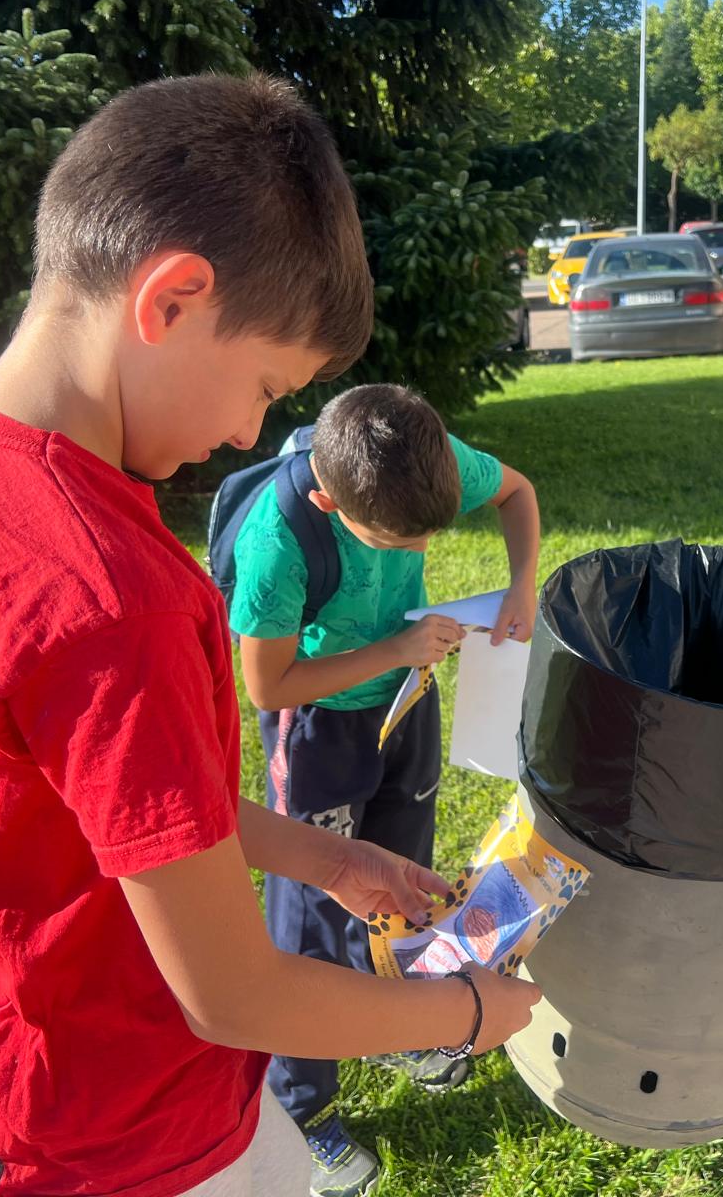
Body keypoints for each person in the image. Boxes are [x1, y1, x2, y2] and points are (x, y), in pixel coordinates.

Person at [0, 72, 540, 1197]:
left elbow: (106, 805)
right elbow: (235, 995)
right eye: (267, 385)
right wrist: (464, 1010)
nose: (247, 434)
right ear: (171, 299)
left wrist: (328, 856)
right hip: (124, 1138)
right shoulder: (109, 587)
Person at [228, 382, 540, 1195]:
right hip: (320, 727)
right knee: (313, 920)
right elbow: (271, 687)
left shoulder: (422, 461)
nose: (409, 555)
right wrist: (398, 649)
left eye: (422, 543)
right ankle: (302, 1108)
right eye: (392, 541)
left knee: (404, 876)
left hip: (408, 705)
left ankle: (404, 1025)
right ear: (330, 501)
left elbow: (516, 491)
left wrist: (523, 583)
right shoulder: (277, 542)